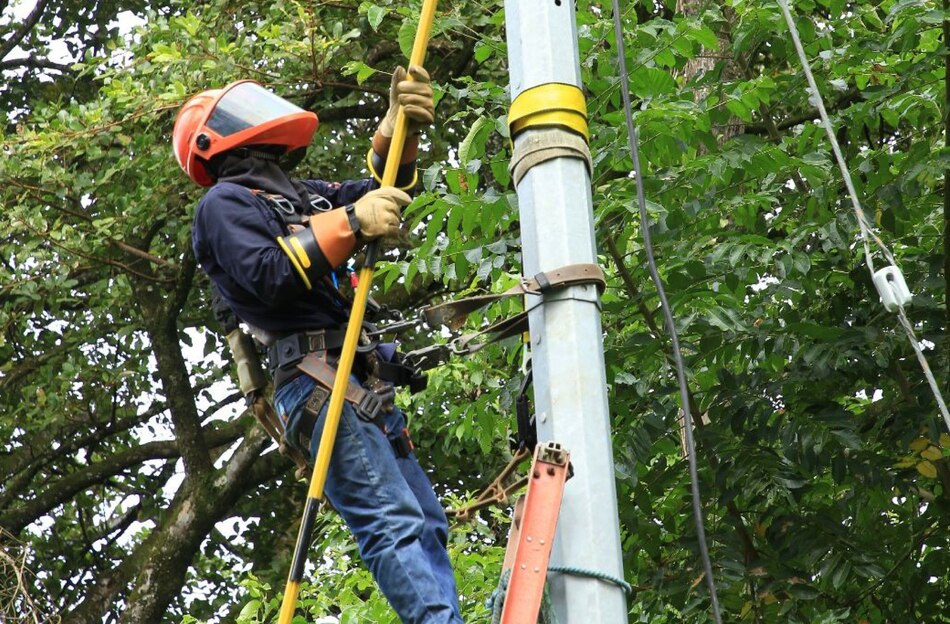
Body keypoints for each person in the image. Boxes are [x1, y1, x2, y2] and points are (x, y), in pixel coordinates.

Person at [173, 67, 463, 624]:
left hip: (356, 379)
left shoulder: (297, 195)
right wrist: (352, 222)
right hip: (314, 381)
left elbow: (383, 196)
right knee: (392, 522)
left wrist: (397, 131)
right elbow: (267, 274)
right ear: (213, 139)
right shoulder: (223, 206)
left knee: (427, 523)